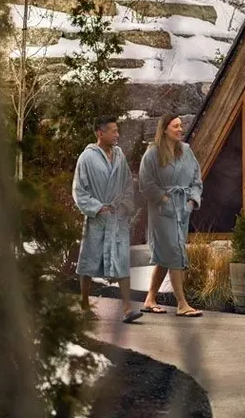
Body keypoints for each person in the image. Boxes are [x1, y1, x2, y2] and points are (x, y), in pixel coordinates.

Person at [72, 116, 142, 324]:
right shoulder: (86, 158)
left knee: (122, 260)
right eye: (113, 131)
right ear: (99, 133)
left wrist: (125, 204)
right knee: (88, 261)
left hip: (117, 217)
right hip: (98, 218)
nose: (117, 135)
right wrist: (96, 207)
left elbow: (127, 183)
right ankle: (84, 305)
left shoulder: (119, 156)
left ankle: (128, 309)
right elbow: (78, 190)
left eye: (118, 131)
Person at [139, 114, 205, 318]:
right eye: (175, 126)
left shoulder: (186, 151)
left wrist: (192, 200)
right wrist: (164, 199)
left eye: (181, 125)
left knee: (165, 256)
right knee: (174, 251)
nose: (180, 129)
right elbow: (146, 183)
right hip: (162, 211)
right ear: (164, 129)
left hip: (182, 209)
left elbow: (196, 178)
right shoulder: (152, 154)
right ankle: (182, 304)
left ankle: (150, 300)